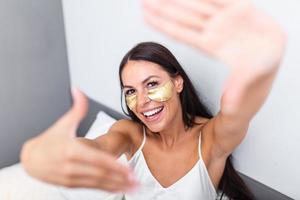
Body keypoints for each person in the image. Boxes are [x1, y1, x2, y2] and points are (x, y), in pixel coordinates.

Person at [21, 0, 287, 199]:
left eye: (152, 84)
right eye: (131, 91)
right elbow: (98, 148)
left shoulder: (210, 139)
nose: (143, 100)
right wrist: (40, 155)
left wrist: (259, 63)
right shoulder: (131, 134)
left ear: (178, 82)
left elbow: (237, 111)